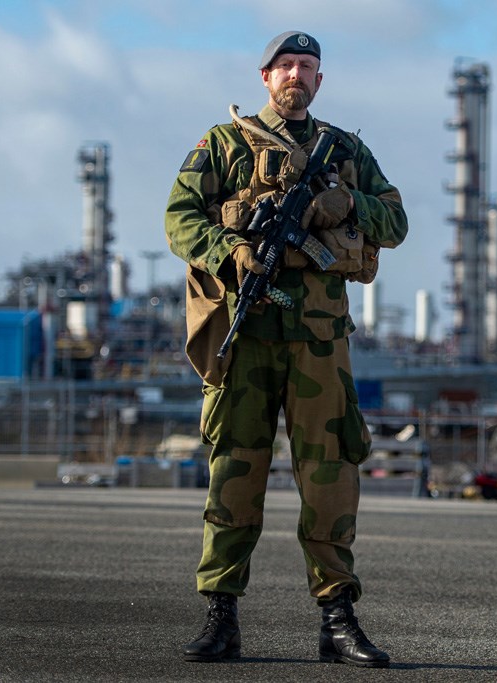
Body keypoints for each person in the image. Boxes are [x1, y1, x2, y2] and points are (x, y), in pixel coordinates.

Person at [164, 30, 408, 668]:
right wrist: (229, 250)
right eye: (285, 65)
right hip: (245, 339)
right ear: (265, 77)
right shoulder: (222, 145)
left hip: (319, 343)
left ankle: (338, 618)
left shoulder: (348, 150)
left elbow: (396, 220)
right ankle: (221, 616)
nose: (296, 74)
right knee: (234, 476)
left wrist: (345, 201)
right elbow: (179, 219)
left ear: (319, 80)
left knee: (330, 479)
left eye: (307, 66)